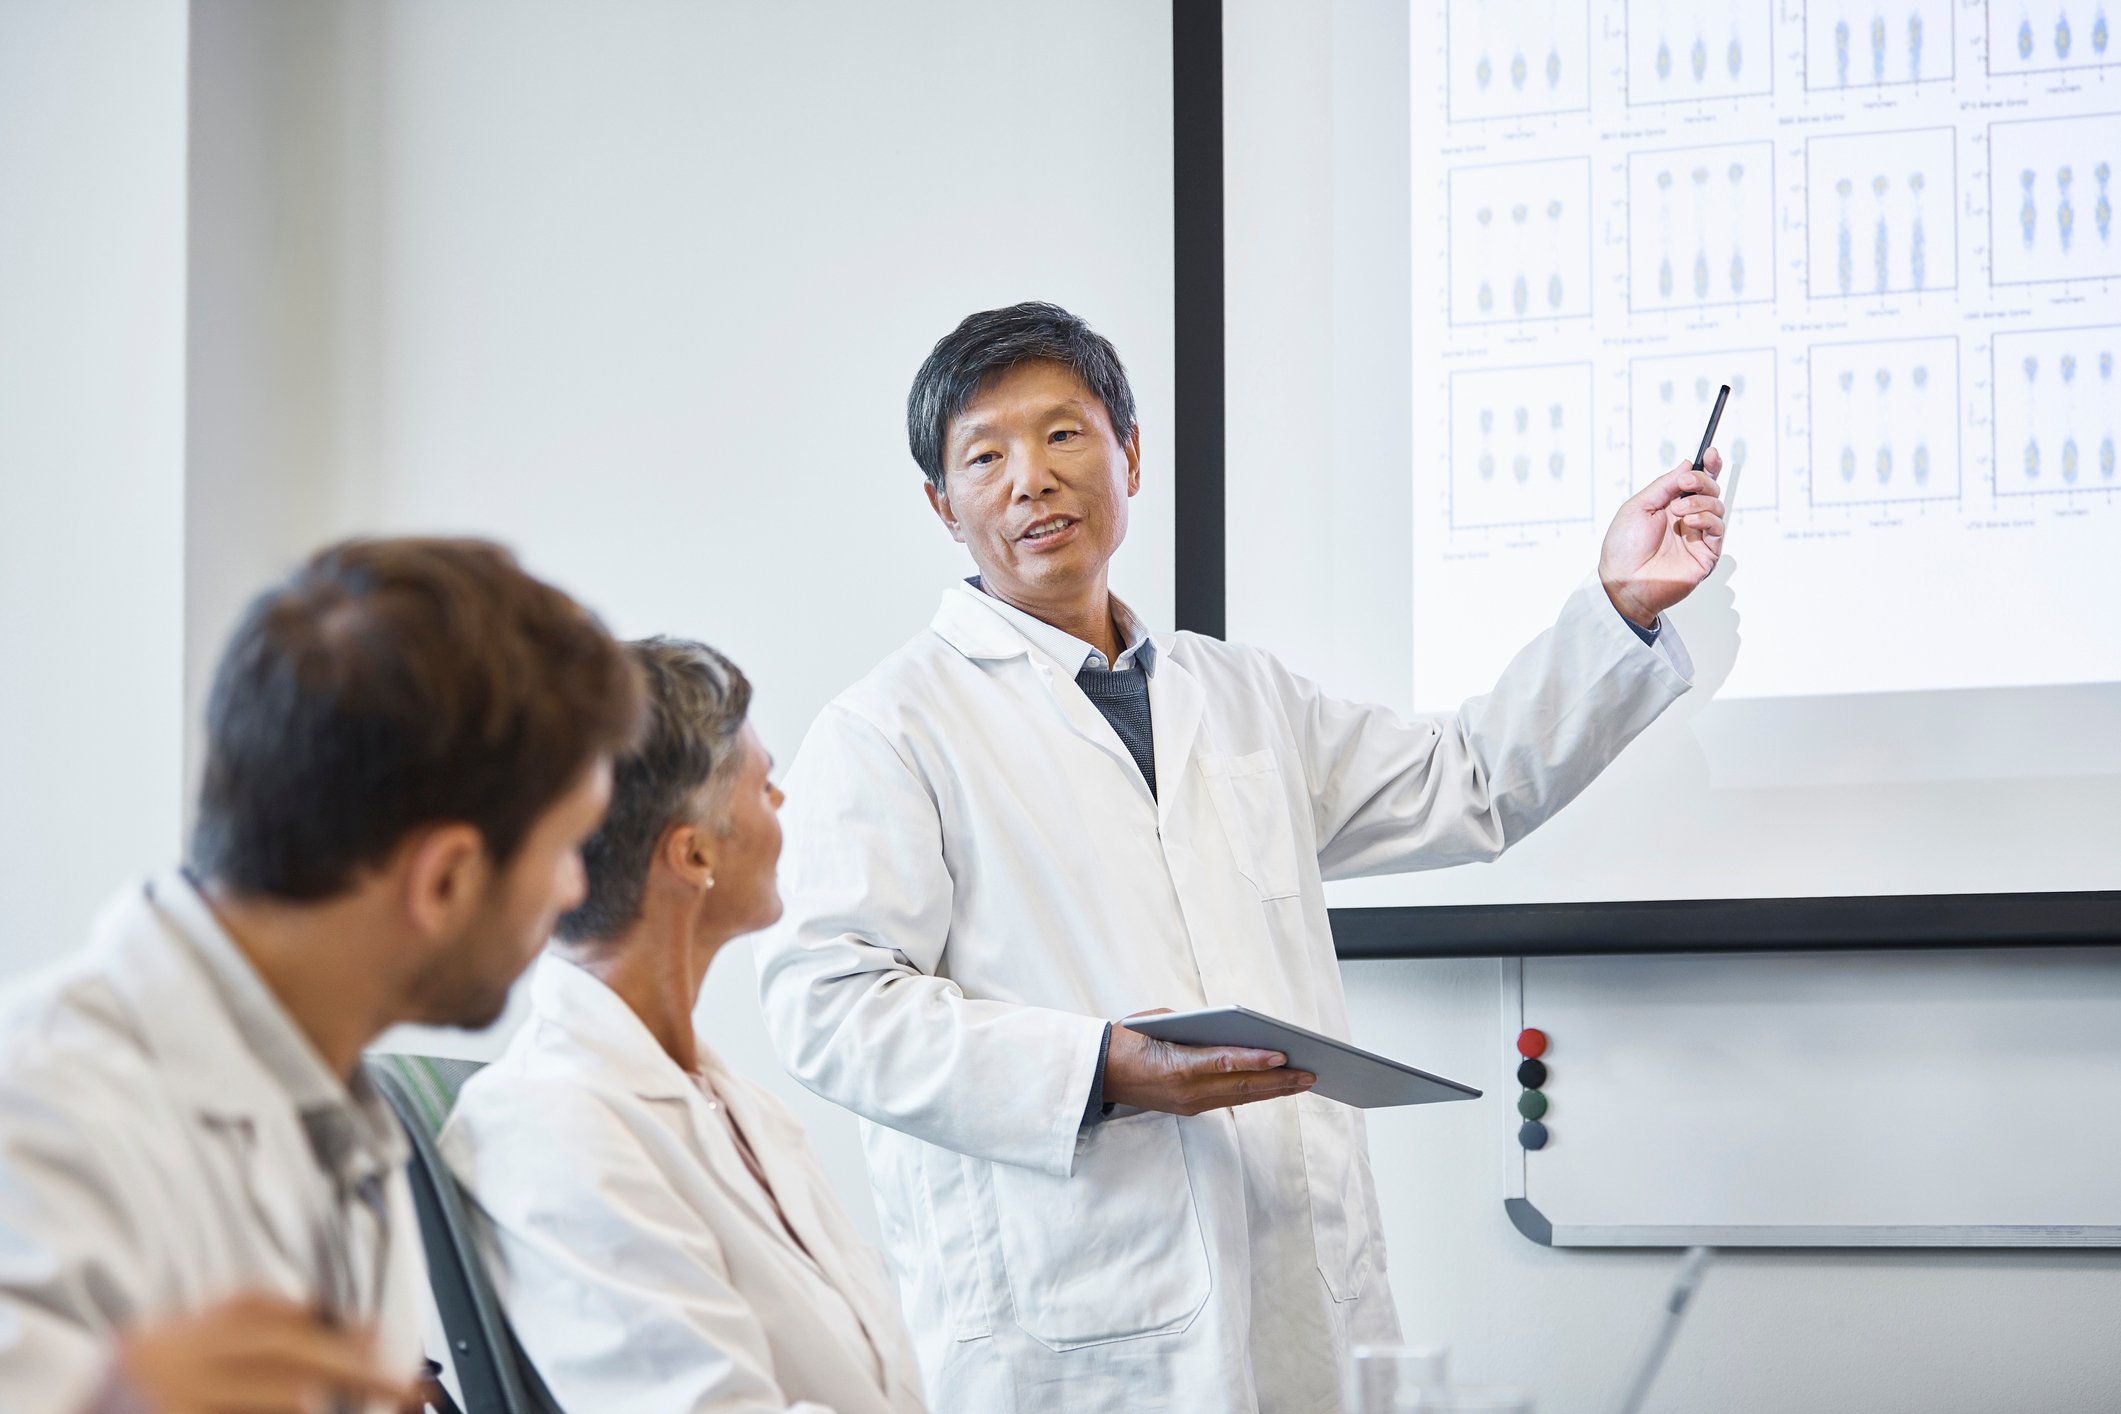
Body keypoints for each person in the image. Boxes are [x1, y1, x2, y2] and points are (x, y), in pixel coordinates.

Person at [755, 302, 1725, 1410]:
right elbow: (828, 1005)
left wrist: (1619, 607)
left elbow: (1465, 780)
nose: (1032, 479)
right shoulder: (890, 727)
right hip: (1069, 1327)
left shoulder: (1237, 692)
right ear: (943, 505)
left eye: (1064, 434)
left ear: (1130, 456)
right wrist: (1098, 1068)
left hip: (1293, 1293)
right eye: (985, 456)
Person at [0, 538, 643, 1414]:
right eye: (568, 848)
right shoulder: (39, 1115)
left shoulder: (327, 1102)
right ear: (446, 879)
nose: (576, 888)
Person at [442, 638, 926, 1414]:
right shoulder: (547, 1127)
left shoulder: (734, 1104)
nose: (782, 804)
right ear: (693, 854)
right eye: (763, 785)